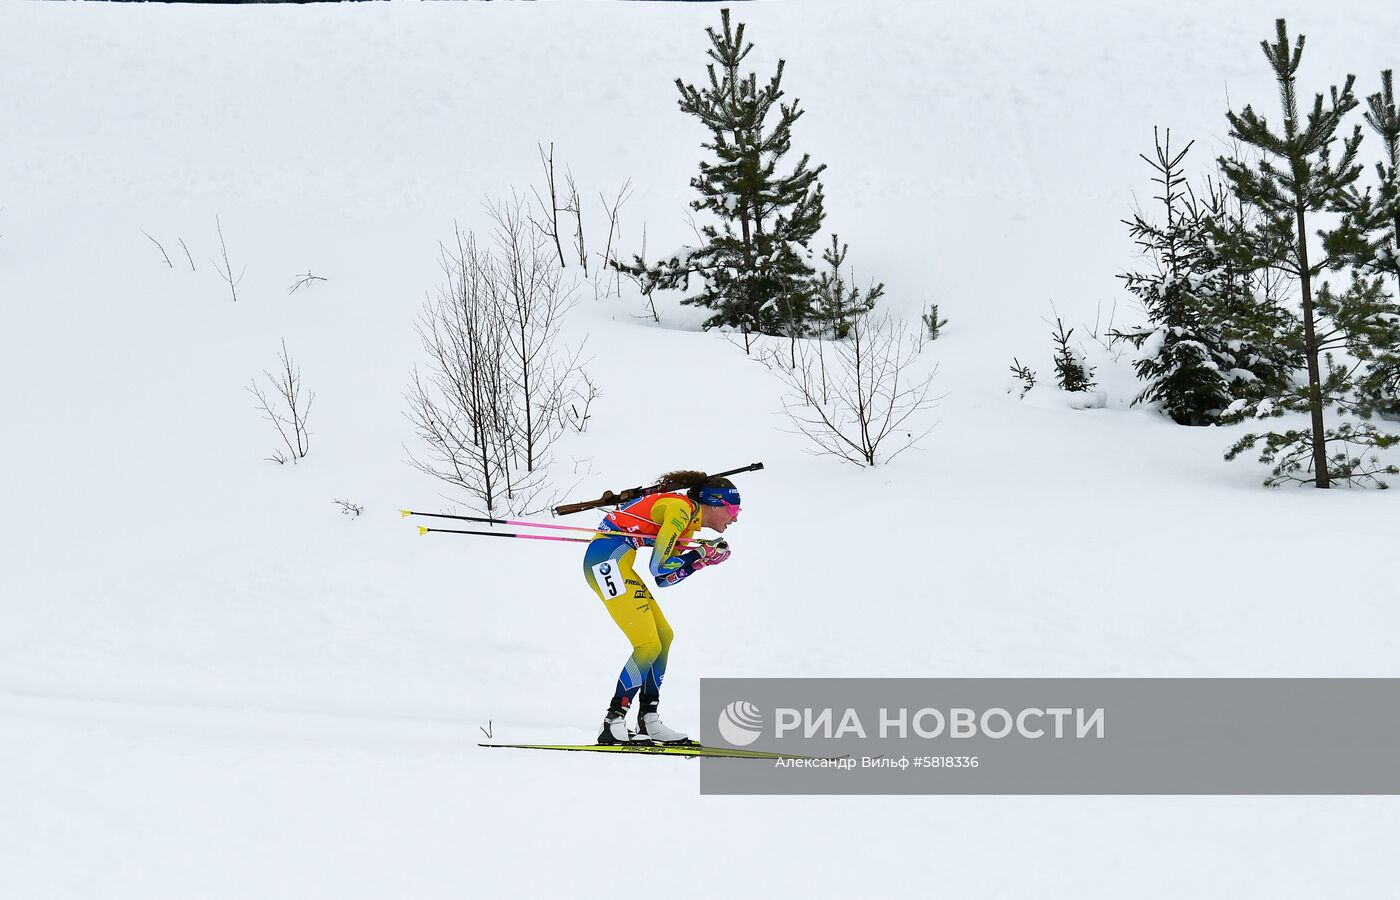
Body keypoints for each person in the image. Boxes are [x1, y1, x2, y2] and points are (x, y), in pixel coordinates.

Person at [582, 470, 740, 745]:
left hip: (618, 561)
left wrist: (701, 561)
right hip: (606, 561)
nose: (735, 518)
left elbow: (664, 578)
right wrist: (700, 553)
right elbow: (658, 564)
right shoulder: (679, 510)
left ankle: (648, 720)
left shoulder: (688, 524)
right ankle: (613, 720)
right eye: (733, 509)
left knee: (663, 637)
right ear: (714, 504)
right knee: (648, 644)